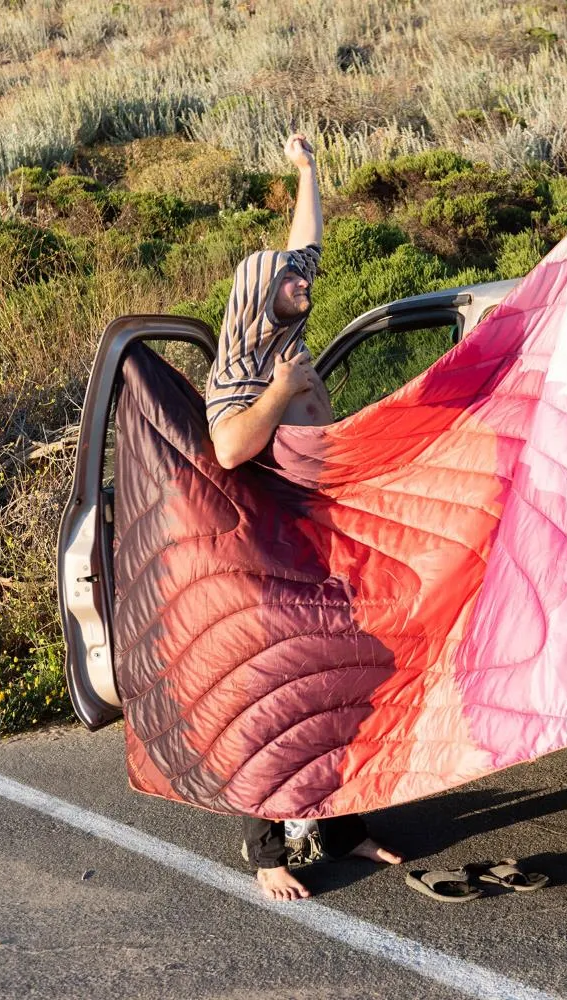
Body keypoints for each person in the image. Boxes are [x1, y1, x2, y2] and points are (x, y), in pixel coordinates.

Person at [205, 132, 403, 902]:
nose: (303, 282)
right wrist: (282, 393)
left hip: (330, 541)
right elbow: (227, 449)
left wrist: (306, 170)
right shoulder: (241, 373)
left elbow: (306, 241)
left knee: (343, 683)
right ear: (260, 295)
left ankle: (346, 825)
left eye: (301, 277)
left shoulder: (288, 338)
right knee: (280, 700)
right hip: (274, 558)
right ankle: (265, 852)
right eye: (290, 281)